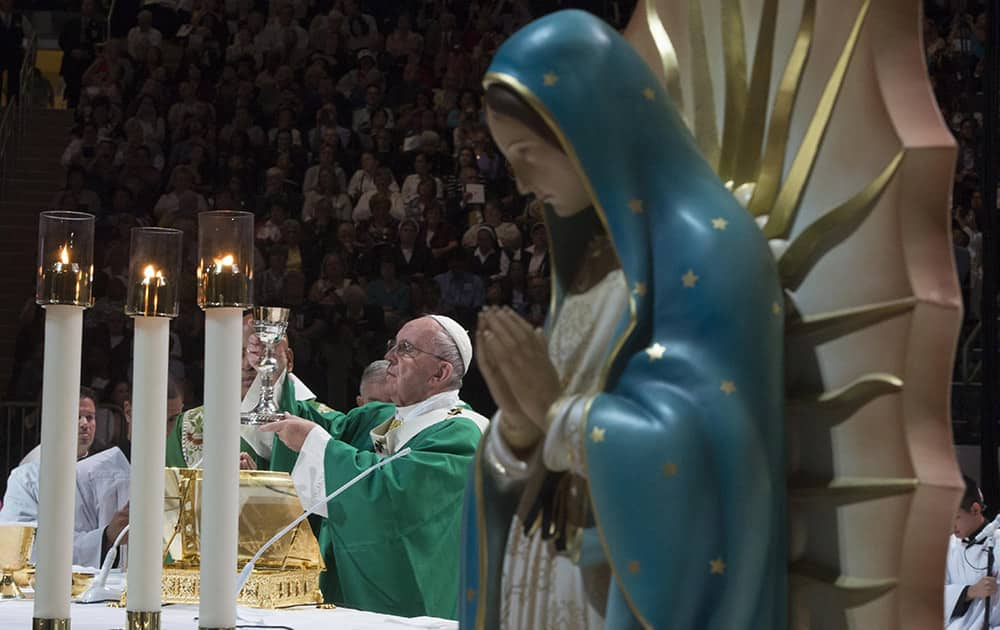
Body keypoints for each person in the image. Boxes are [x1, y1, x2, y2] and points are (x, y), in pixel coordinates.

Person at [460, 11, 784, 630]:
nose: (523, 183)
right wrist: (520, 434)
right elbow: (553, 424)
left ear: (592, 129)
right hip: (548, 572)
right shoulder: (592, 256)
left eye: (529, 154)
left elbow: (714, 452)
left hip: (620, 585)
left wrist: (559, 417)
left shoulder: (707, 250)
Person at [261, 315, 489, 618]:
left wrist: (313, 444)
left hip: (416, 606)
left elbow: (396, 497)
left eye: (405, 349)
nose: (389, 357)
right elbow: (320, 423)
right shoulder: (381, 417)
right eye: (392, 345)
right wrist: (274, 371)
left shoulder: (462, 434)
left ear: (440, 373)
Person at [0, 388, 99, 522]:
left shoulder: (103, 465)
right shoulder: (29, 471)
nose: (84, 424)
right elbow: (19, 528)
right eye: (76, 416)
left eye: (89, 417)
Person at [946, 476, 1000, 629]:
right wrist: (969, 592)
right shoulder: (948, 547)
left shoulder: (997, 545)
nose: (950, 526)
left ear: (975, 509)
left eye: (956, 518)